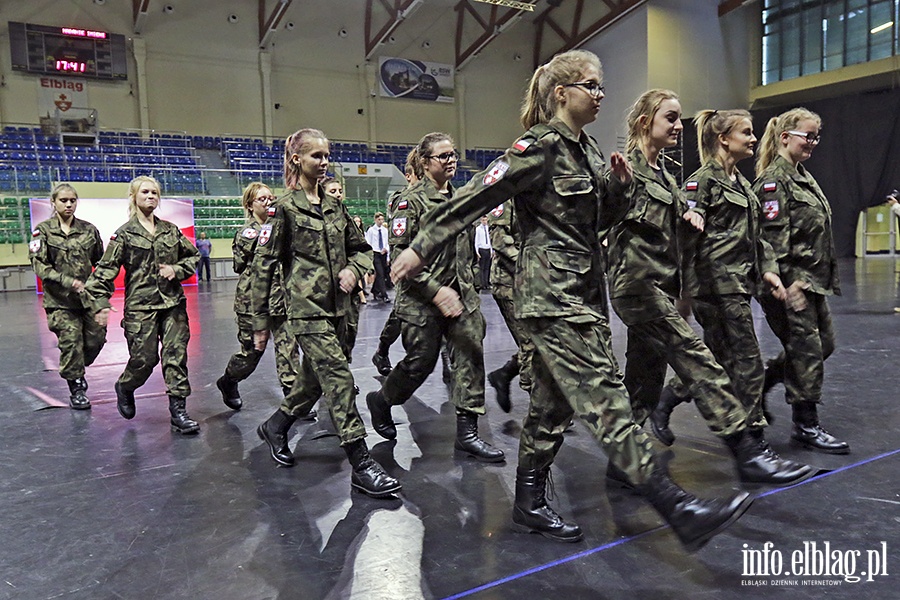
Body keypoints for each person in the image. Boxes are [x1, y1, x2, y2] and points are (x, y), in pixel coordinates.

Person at [390, 50, 752, 550]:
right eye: (591, 85)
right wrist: (418, 245)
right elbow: (475, 195)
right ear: (562, 93)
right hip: (550, 296)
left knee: (552, 404)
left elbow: (597, 222)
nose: (600, 94)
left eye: (602, 87)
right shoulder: (537, 146)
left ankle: (529, 502)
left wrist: (620, 191)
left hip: (584, 293)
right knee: (608, 399)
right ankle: (677, 506)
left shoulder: (590, 152)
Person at [613, 95, 811, 485]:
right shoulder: (631, 172)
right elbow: (608, 219)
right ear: (643, 121)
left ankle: (622, 466)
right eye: (670, 118)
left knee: (644, 377)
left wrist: (765, 271)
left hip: (668, 287)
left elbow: (684, 237)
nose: (678, 126)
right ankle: (748, 447)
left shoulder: (666, 175)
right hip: (645, 287)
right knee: (702, 362)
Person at [251, 128, 399, 498]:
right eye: (316, 155)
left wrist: (354, 267)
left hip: (342, 312)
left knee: (313, 382)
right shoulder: (283, 209)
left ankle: (276, 425)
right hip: (306, 311)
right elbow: (263, 267)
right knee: (339, 380)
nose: (324, 161)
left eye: (327, 155)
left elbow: (362, 248)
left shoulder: (336, 207)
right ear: (296, 160)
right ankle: (361, 462)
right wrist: (258, 324)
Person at [365, 132, 504, 464]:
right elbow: (399, 257)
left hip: (461, 297)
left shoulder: (461, 199)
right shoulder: (408, 201)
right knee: (420, 364)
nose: (451, 160)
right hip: (422, 301)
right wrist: (435, 289)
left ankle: (468, 434)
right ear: (425, 162)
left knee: (471, 356)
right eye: (443, 156)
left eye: (453, 154)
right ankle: (382, 401)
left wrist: (464, 287)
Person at [752, 108, 850, 454]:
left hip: (811, 281)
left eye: (816, 137)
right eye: (807, 136)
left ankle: (768, 378)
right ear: (785, 137)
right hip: (790, 285)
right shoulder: (773, 181)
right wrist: (786, 284)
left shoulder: (801, 175)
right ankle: (805, 424)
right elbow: (769, 242)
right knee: (807, 350)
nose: (813, 143)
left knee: (825, 345)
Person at [85, 176, 200, 434]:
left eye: (155, 193)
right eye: (145, 192)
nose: (151, 196)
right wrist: (100, 302)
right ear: (134, 197)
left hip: (172, 305)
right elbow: (104, 271)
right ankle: (126, 386)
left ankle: (178, 412)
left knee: (176, 357)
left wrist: (177, 269)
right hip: (141, 308)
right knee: (144, 360)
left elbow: (193, 256)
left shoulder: (170, 230)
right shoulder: (124, 234)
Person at [215, 182, 300, 411]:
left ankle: (292, 399)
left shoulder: (282, 229)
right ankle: (229, 381)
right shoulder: (247, 233)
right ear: (249, 205)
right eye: (261, 199)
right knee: (252, 354)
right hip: (253, 302)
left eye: (271, 197)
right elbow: (239, 264)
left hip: (282, 298)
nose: (268, 201)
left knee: (288, 349)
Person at [29, 183, 106, 410]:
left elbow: (101, 263)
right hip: (60, 302)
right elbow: (39, 265)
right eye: (63, 200)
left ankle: (75, 367)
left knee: (95, 340)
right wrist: (67, 281)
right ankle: (77, 387)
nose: (69, 204)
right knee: (71, 342)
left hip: (86, 300)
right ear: (53, 202)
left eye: (72, 200)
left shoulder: (89, 230)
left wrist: (97, 290)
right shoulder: (42, 231)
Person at [372, 152, 421, 377]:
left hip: (437, 266)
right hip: (411, 267)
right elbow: (399, 237)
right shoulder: (402, 199)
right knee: (401, 313)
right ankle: (382, 350)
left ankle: (447, 360)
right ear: (410, 176)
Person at [485, 199, 533, 413]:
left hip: (535, 283)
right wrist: (532, 271)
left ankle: (504, 374)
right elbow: (501, 244)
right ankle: (540, 406)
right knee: (531, 344)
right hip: (510, 283)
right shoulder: (505, 200)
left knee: (539, 342)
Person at [365, 212, 391, 303]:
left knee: (383, 273)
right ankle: (384, 295)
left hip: (383, 253)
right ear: (375, 220)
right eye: (379, 219)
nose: (381, 221)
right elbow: (368, 242)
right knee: (379, 273)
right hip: (375, 253)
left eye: (382, 219)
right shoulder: (371, 230)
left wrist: (386, 252)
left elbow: (387, 242)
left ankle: (375, 290)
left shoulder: (385, 230)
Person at [474, 215, 492, 291]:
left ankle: (487, 283)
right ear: (481, 220)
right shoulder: (478, 229)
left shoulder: (489, 228)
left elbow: (490, 239)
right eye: (483, 220)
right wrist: (477, 251)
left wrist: (492, 251)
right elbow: (476, 241)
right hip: (482, 249)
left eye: (486, 220)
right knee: (482, 268)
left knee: (487, 268)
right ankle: (482, 283)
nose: (484, 222)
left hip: (488, 249)